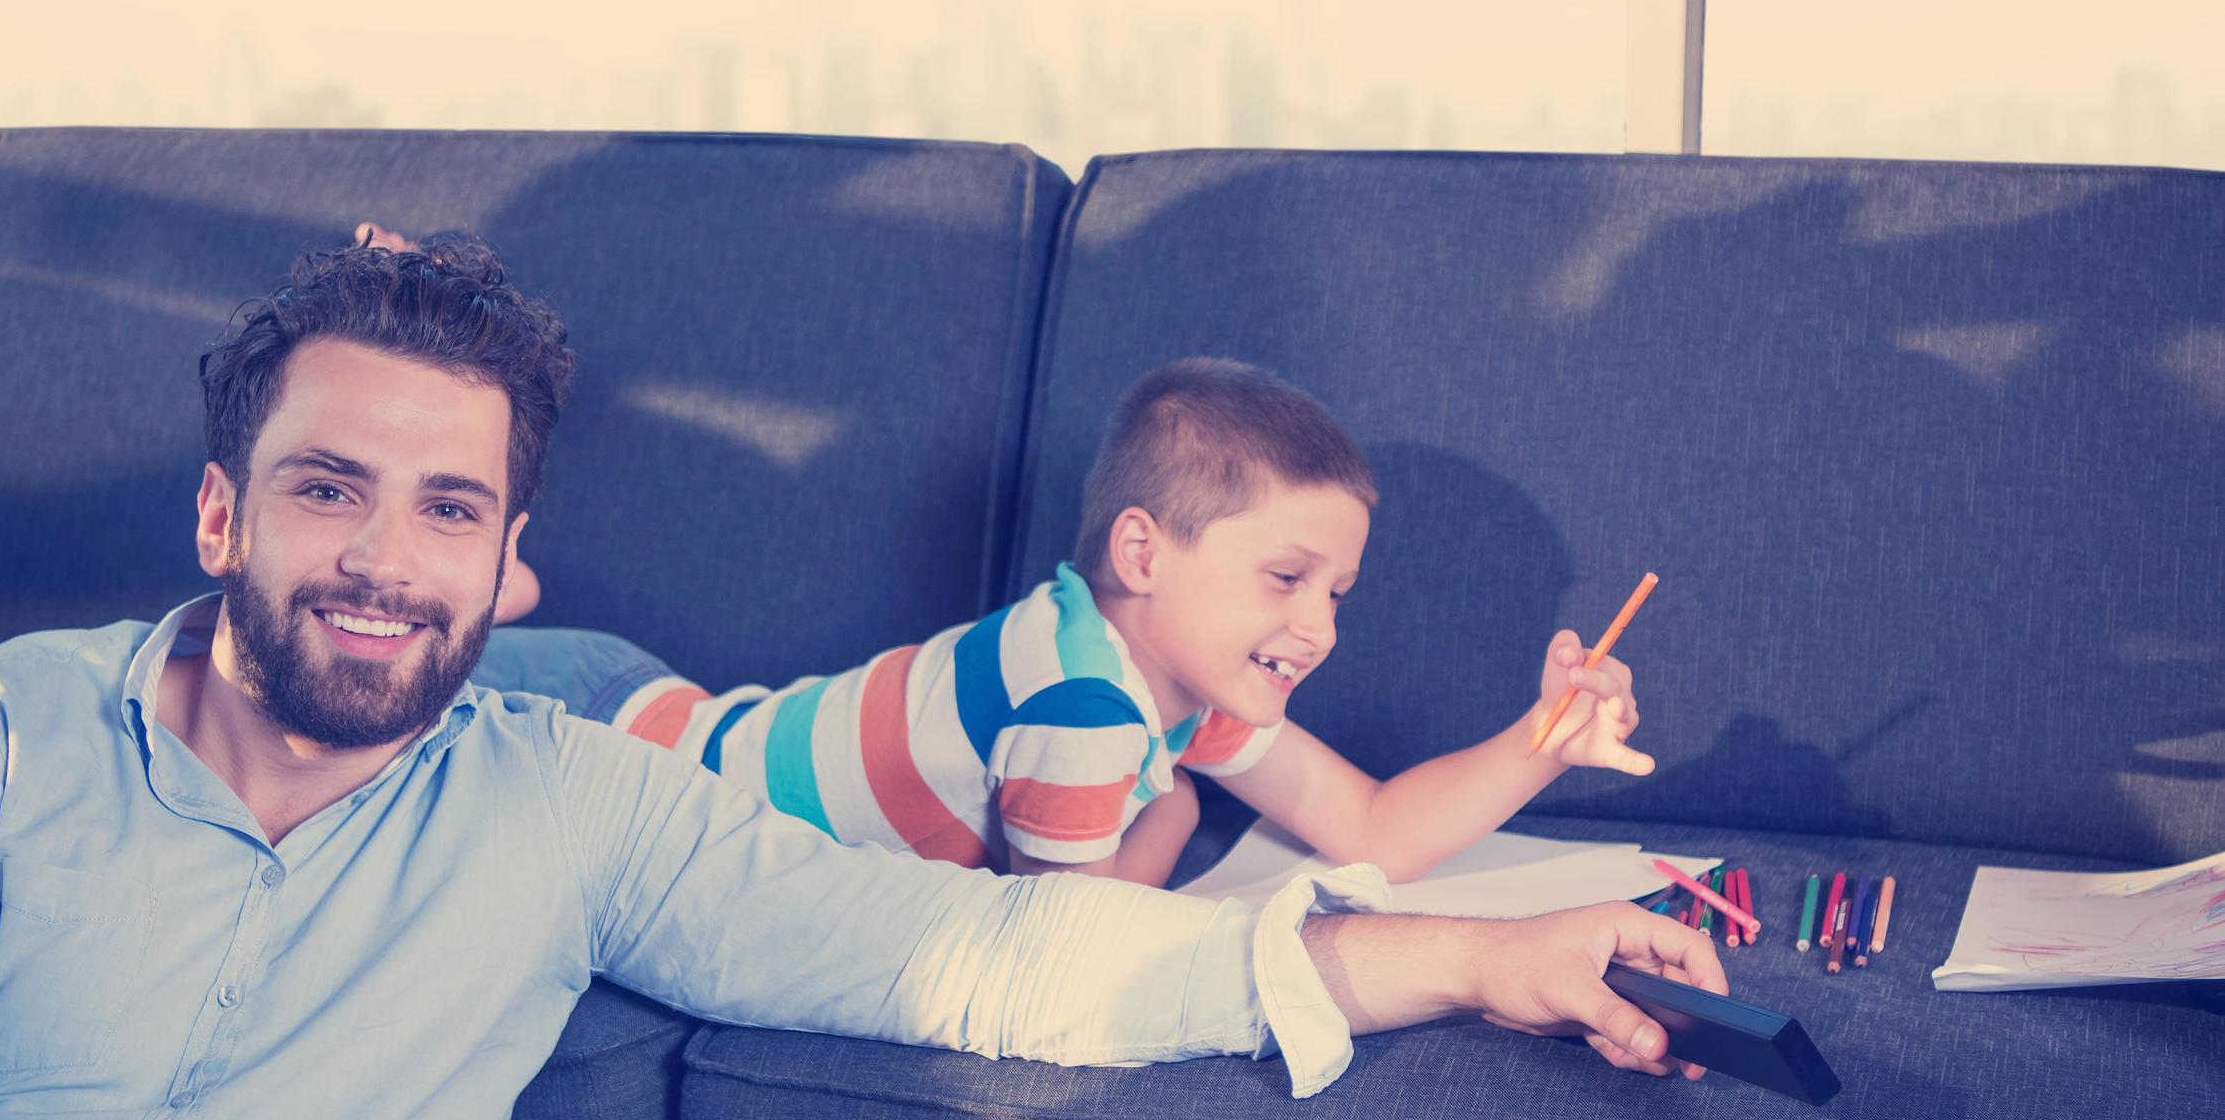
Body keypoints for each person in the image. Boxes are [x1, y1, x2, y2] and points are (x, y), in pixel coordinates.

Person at [0, 233, 1723, 1120]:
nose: (377, 555)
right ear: (220, 505)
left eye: (448, 507)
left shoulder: (571, 803)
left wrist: (1454, 957)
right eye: (328, 486)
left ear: (507, 560)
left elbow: (992, 958)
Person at [473, 357, 1652, 891]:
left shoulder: (1167, 676)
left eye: (1335, 593)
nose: (1319, 627)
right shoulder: (1084, 701)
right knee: (294, 686)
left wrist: (1540, 737)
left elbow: (1373, 829)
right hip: (608, 746)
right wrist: (1174, 810)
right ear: (1143, 551)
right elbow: (1059, 939)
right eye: (1286, 577)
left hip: (632, 706)